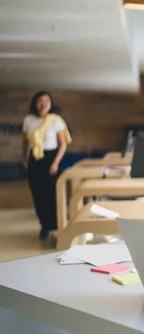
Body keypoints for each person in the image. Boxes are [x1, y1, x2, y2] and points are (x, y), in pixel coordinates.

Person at [21, 91, 72, 240]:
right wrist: (24, 159)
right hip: (35, 160)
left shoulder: (56, 120)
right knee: (38, 195)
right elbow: (25, 143)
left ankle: (58, 226)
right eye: (40, 101)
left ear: (50, 104)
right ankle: (45, 226)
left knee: (54, 194)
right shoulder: (28, 120)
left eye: (46, 101)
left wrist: (55, 163)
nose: (43, 104)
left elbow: (63, 144)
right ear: (35, 103)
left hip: (52, 159)